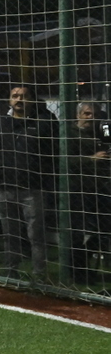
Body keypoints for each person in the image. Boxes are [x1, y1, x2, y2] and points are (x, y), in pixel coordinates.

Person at [0, 85, 52, 280]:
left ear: (32, 100)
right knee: (10, 235)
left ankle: (40, 275)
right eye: (15, 96)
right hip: (6, 188)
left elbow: (51, 154)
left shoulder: (42, 123)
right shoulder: (1, 123)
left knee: (36, 235)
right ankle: (11, 271)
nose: (19, 99)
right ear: (9, 100)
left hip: (33, 189)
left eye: (24, 96)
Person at [69, 101, 109, 283]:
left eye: (94, 115)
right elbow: (64, 160)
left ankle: (87, 264)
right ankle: (77, 271)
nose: (91, 118)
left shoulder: (101, 134)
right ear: (78, 115)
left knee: (104, 228)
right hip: (77, 189)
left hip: (99, 189)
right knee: (77, 232)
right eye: (87, 114)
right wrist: (90, 159)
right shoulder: (69, 133)